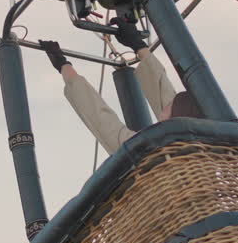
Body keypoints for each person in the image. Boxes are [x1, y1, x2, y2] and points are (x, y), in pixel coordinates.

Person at [40, 19, 201, 156]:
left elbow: (102, 120)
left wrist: (63, 65)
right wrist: (138, 45)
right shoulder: (200, 144)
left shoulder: (149, 151)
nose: (166, 105)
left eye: (169, 107)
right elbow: (165, 91)